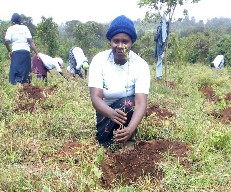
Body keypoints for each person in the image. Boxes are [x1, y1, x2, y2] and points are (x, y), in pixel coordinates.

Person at [88, 15, 151, 149]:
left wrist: (130, 128)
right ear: (110, 41)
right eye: (116, 41)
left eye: (125, 41)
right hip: (106, 112)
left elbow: (141, 103)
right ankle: (110, 138)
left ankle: (129, 138)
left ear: (131, 42)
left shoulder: (140, 65)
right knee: (104, 144)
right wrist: (111, 113)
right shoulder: (99, 60)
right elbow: (95, 97)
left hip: (128, 113)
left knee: (128, 103)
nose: (120, 46)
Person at [4, 13, 39, 85]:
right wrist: (36, 53)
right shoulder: (25, 28)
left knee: (15, 73)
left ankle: (18, 93)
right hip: (25, 52)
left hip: (16, 52)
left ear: (12, 21)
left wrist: (9, 51)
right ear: (20, 20)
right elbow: (30, 41)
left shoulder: (10, 28)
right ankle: (26, 94)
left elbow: (7, 41)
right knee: (25, 74)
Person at [154, 15, 169, 80]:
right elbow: (162, 37)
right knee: (160, 60)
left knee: (160, 60)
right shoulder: (161, 27)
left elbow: (164, 36)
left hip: (161, 46)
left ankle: (159, 76)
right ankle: (159, 76)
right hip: (160, 46)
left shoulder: (163, 27)